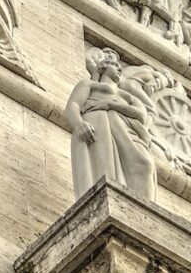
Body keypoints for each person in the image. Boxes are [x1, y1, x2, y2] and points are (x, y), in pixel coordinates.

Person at [65, 48, 157, 201]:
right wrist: (78, 123)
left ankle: (144, 208)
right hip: (99, 125)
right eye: (115, 66)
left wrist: (109, 104)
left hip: (124, 128)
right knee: (103, 166)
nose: (120, 69)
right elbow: (73, 105)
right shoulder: (89, 84)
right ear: (102, 67)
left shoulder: (125, 95)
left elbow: (141, 114)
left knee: (145, 163)